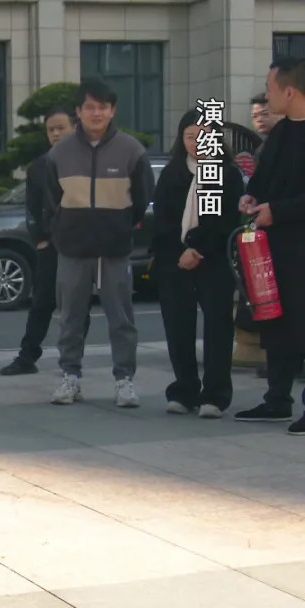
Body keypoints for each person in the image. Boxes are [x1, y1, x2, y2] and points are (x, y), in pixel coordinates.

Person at [44, 79, 155, 407]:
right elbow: (51, 199)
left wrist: (121, 225)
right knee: (70, 316)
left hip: (114, 249)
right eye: (89, 107)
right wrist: (63, 228)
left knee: (121, 317)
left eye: (103, 107)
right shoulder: (60, 153)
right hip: (73, 248)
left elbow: (143, 196)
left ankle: (124, 380)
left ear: (112, 110)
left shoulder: (131, 150)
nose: (96, 113)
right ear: (78, 111)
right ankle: (70, 377)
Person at [151, 109, 243, 419]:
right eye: (189, 136)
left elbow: (223, 220)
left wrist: (197, 248)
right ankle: (184, 390)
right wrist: (179, 251)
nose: (196, 142)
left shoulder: (225, 174)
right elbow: (161, 217)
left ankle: (215, 395)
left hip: (212, 261)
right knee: (178, 326)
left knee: (217, 327)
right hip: (173, 261)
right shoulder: (172, 172)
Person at [233, 57, 305, 435]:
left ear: (290, 91)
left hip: (300, 246)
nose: (267, 94)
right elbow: (262, 178)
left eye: (271, 87)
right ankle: (277, 398)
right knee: (273, 319)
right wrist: (251, 198)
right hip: (270, 246)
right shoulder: (279, 133)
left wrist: (277, 210)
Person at [0, 106, 90, 376]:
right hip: (51, 245)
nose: (55, 133)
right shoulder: (39, 166)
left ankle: (71, 362)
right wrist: (39, 238)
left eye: (61, 127)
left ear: (75, 127)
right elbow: (32, 207)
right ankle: (27, 357)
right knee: (41, 302)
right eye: (50, 129)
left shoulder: (88, 161)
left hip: (82, 245)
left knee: (77, 305)